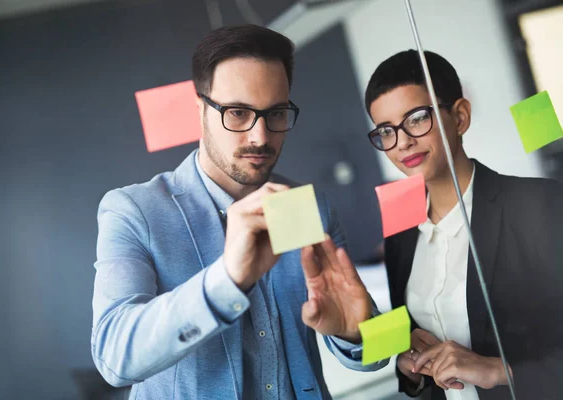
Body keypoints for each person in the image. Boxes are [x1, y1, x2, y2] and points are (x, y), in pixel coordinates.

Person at [91, 24, 386, 400]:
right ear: (199, 109)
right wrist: (226, 280)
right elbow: (114, 358)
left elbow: (376, 354)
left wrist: (356, 334)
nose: (260, 136)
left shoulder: (307, 206)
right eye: (237, 112)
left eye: (276, 113)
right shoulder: (135, 211)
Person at [364, 50, 563, 400]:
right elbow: (412, 364)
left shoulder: (538, 205)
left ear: (459, 116)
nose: (403, 142)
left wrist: (498, 370)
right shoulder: (401, 233)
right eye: (386, 130)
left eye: (416, 118)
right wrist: (407, 366)